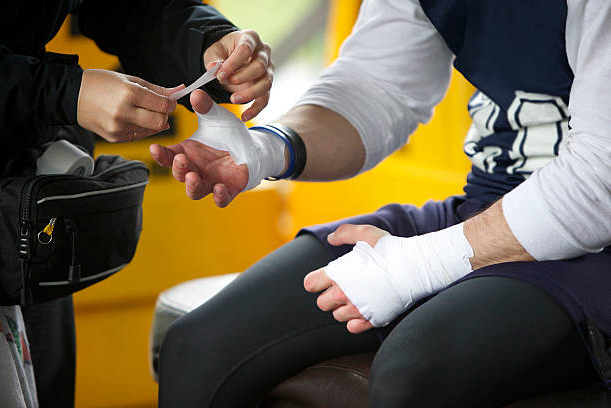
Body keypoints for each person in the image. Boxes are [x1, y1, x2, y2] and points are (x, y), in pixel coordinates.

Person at [154, 0, 611, 406]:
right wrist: (267, 149)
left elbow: (598, 181)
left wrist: (417, 263)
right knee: (198, 347)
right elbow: (378, 87)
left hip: (597, 246)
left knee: (412, 376)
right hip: (486, 203)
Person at [0, 1, 273, 406]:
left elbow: (136, 9)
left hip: (28, 211)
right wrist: (66, 92)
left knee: (44, 381)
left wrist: (209, 42)